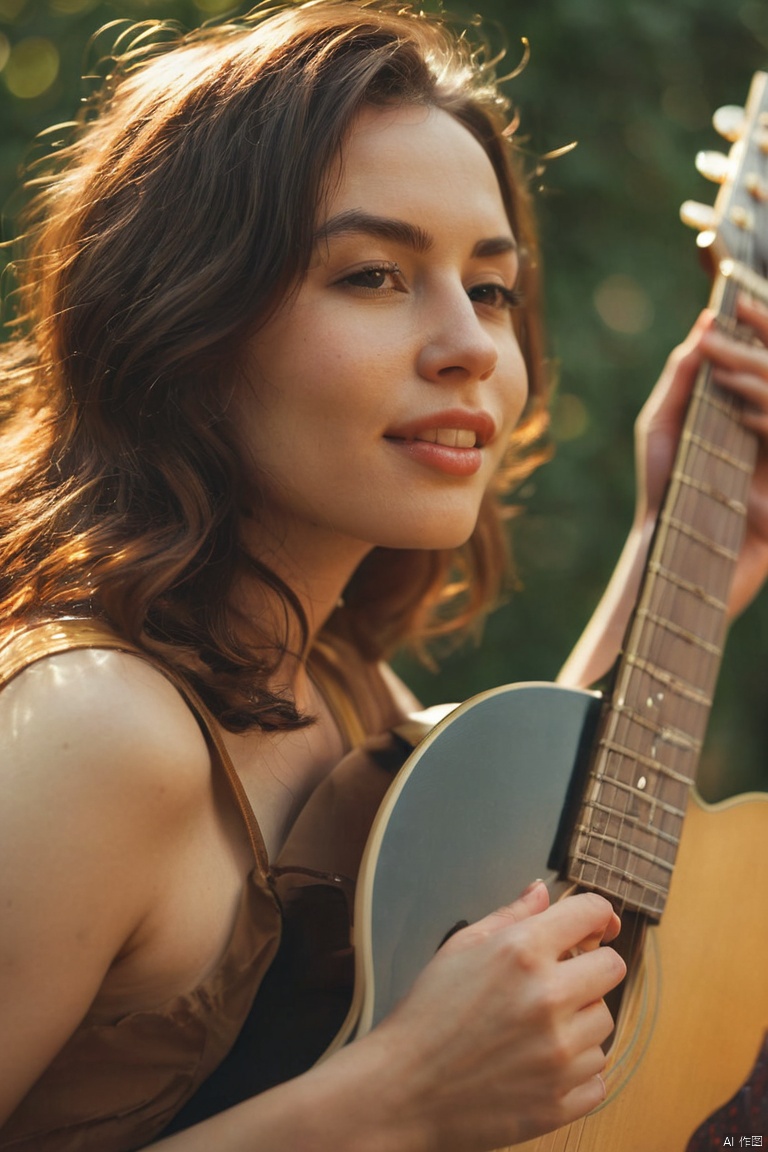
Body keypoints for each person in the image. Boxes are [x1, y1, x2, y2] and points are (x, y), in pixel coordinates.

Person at [1, 2, 768, 1149]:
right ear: (188, 317)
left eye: (493, 288)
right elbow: (412, 1072)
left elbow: (524, 908)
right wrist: (403, 1093)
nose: (469, 343)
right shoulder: (102, 735)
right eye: (372, 275)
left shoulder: (333, 682)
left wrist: (672, 553)